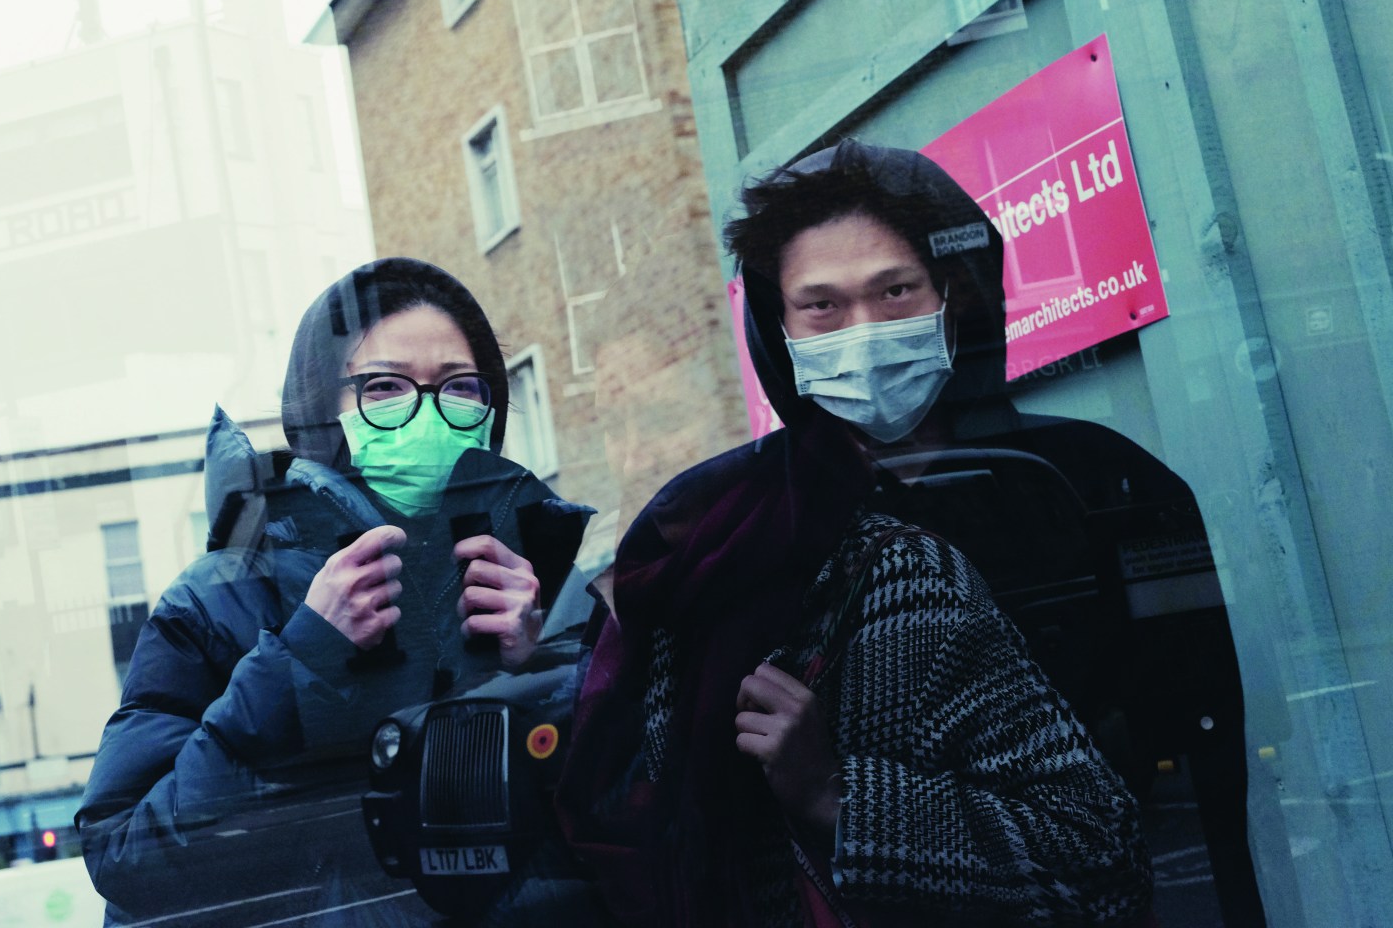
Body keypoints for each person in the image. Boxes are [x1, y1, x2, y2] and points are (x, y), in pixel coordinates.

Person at [556, 139, 1155, 927]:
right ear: (778, 332)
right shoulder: (709, 523)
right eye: (823, 306)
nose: (863, 330)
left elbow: (1162, 792)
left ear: (957, 297)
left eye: (897, 291)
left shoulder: (1092, 482)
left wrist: (843, 794)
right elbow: (630, 783)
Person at [77, 258, 593, 926]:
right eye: (382, 389)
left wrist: (543, 668)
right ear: (323, 411)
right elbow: (128, 860)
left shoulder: (551, 586)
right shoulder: (222, 600)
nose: (428, 416)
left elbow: (636, 833)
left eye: (461, 388)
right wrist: (298, 664)